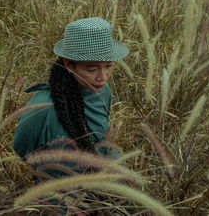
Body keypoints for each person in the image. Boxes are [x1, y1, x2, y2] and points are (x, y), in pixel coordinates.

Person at [13, 17, 129, 178]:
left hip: (102, 184)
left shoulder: (103, 92)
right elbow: (22, 147)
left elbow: (100, 138)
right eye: (92, 69)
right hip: (55, 196)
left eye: (108, 66)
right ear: (68, 63)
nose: (102, 77)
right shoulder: (40, 108)